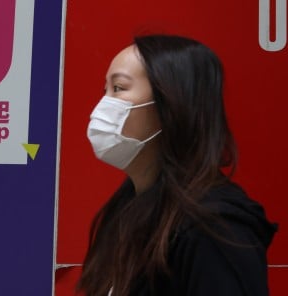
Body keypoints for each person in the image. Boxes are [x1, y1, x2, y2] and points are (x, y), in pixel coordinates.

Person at [79, 35, 276, 296]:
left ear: (171, 102)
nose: (102, 106)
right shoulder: (128, 211)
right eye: (105, 90)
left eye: (119, 88)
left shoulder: (214, 227)